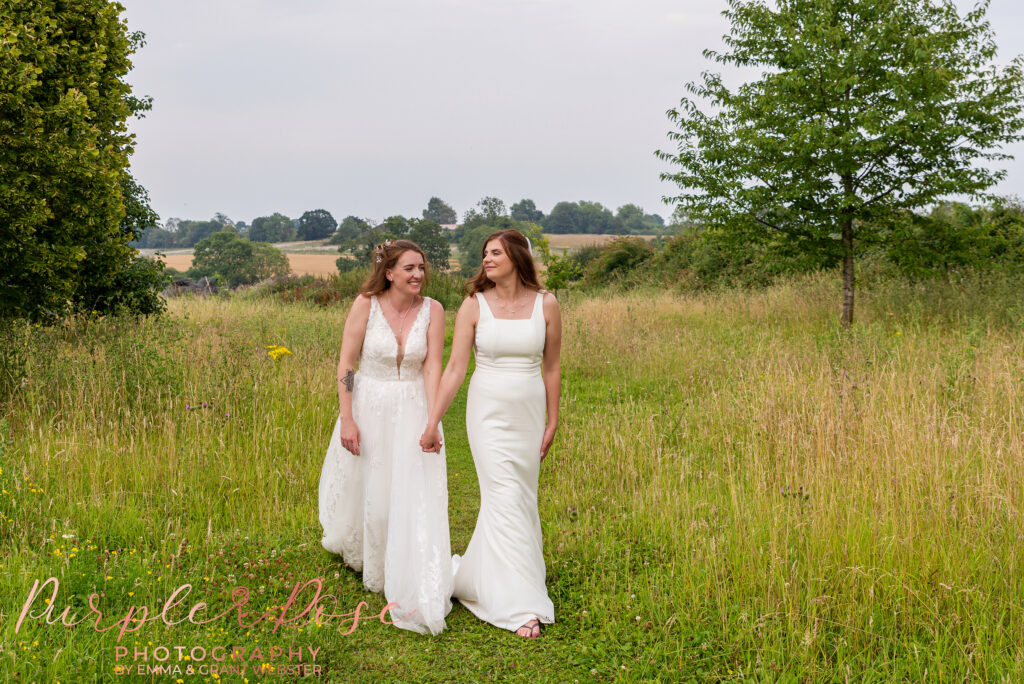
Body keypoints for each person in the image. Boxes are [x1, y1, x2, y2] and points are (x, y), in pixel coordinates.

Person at [420, 228, 561, 639]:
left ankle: (488, 577)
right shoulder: (473, 305)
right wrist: (433, 422)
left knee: (522, 495)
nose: (486, 259)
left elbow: (551, 367)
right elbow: (455, 370)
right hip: (488, 414)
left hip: (529, 411)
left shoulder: (547, 304)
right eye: (484, 254)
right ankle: (519, 604)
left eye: (495, 252)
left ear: (517, 257)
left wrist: (553, 419)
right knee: (503, 495)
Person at [318, 239, 452, 635]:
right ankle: (368, 557)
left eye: (422, 268)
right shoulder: (365, 304)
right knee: (371, 489)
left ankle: (406, 558)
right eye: (409, 268)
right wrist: (346, 417)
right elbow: (346, 362)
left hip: (413, 404)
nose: (418, 275)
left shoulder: (434, 311)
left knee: (410, 488)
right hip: (369, 404)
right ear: (389, 272)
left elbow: (432, 368)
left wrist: (433, 420)